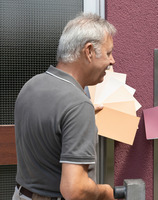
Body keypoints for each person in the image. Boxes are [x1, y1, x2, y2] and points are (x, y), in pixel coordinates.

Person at [13, 13, 116, 200]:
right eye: (108, 53)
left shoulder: (31, 85)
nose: (112, 61)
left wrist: (77, 120)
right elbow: (75, 190)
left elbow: (47, 131)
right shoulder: (78, 105)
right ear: (89, 51)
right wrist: (106, 192)